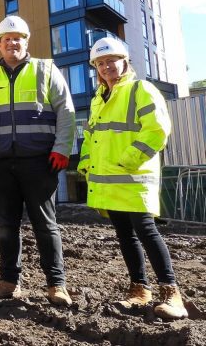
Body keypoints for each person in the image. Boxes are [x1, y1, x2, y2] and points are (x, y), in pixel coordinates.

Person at [78, 37, 187, 319]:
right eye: (100, 63)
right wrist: (86, 162)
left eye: (110, 60)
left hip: (133, 179)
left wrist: (128, 160)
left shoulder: (141, 89)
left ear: (124, 61)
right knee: (125, 236)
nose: (106, 67)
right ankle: (139, 290)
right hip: (109, 182)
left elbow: (157, 130)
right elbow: (91, 136)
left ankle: (171, 293)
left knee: (147, 232)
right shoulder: (98, 99)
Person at [0, 15, 74, 306]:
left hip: (40, 161)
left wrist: (62, 148)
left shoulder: (45, 70)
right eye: (6, 40)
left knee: (46, 224)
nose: (12, 43)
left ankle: (56, 284)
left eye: (17, 39)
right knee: (6, 224)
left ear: (26, 41)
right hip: (1, 162)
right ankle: (8, 281)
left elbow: (66, 111)